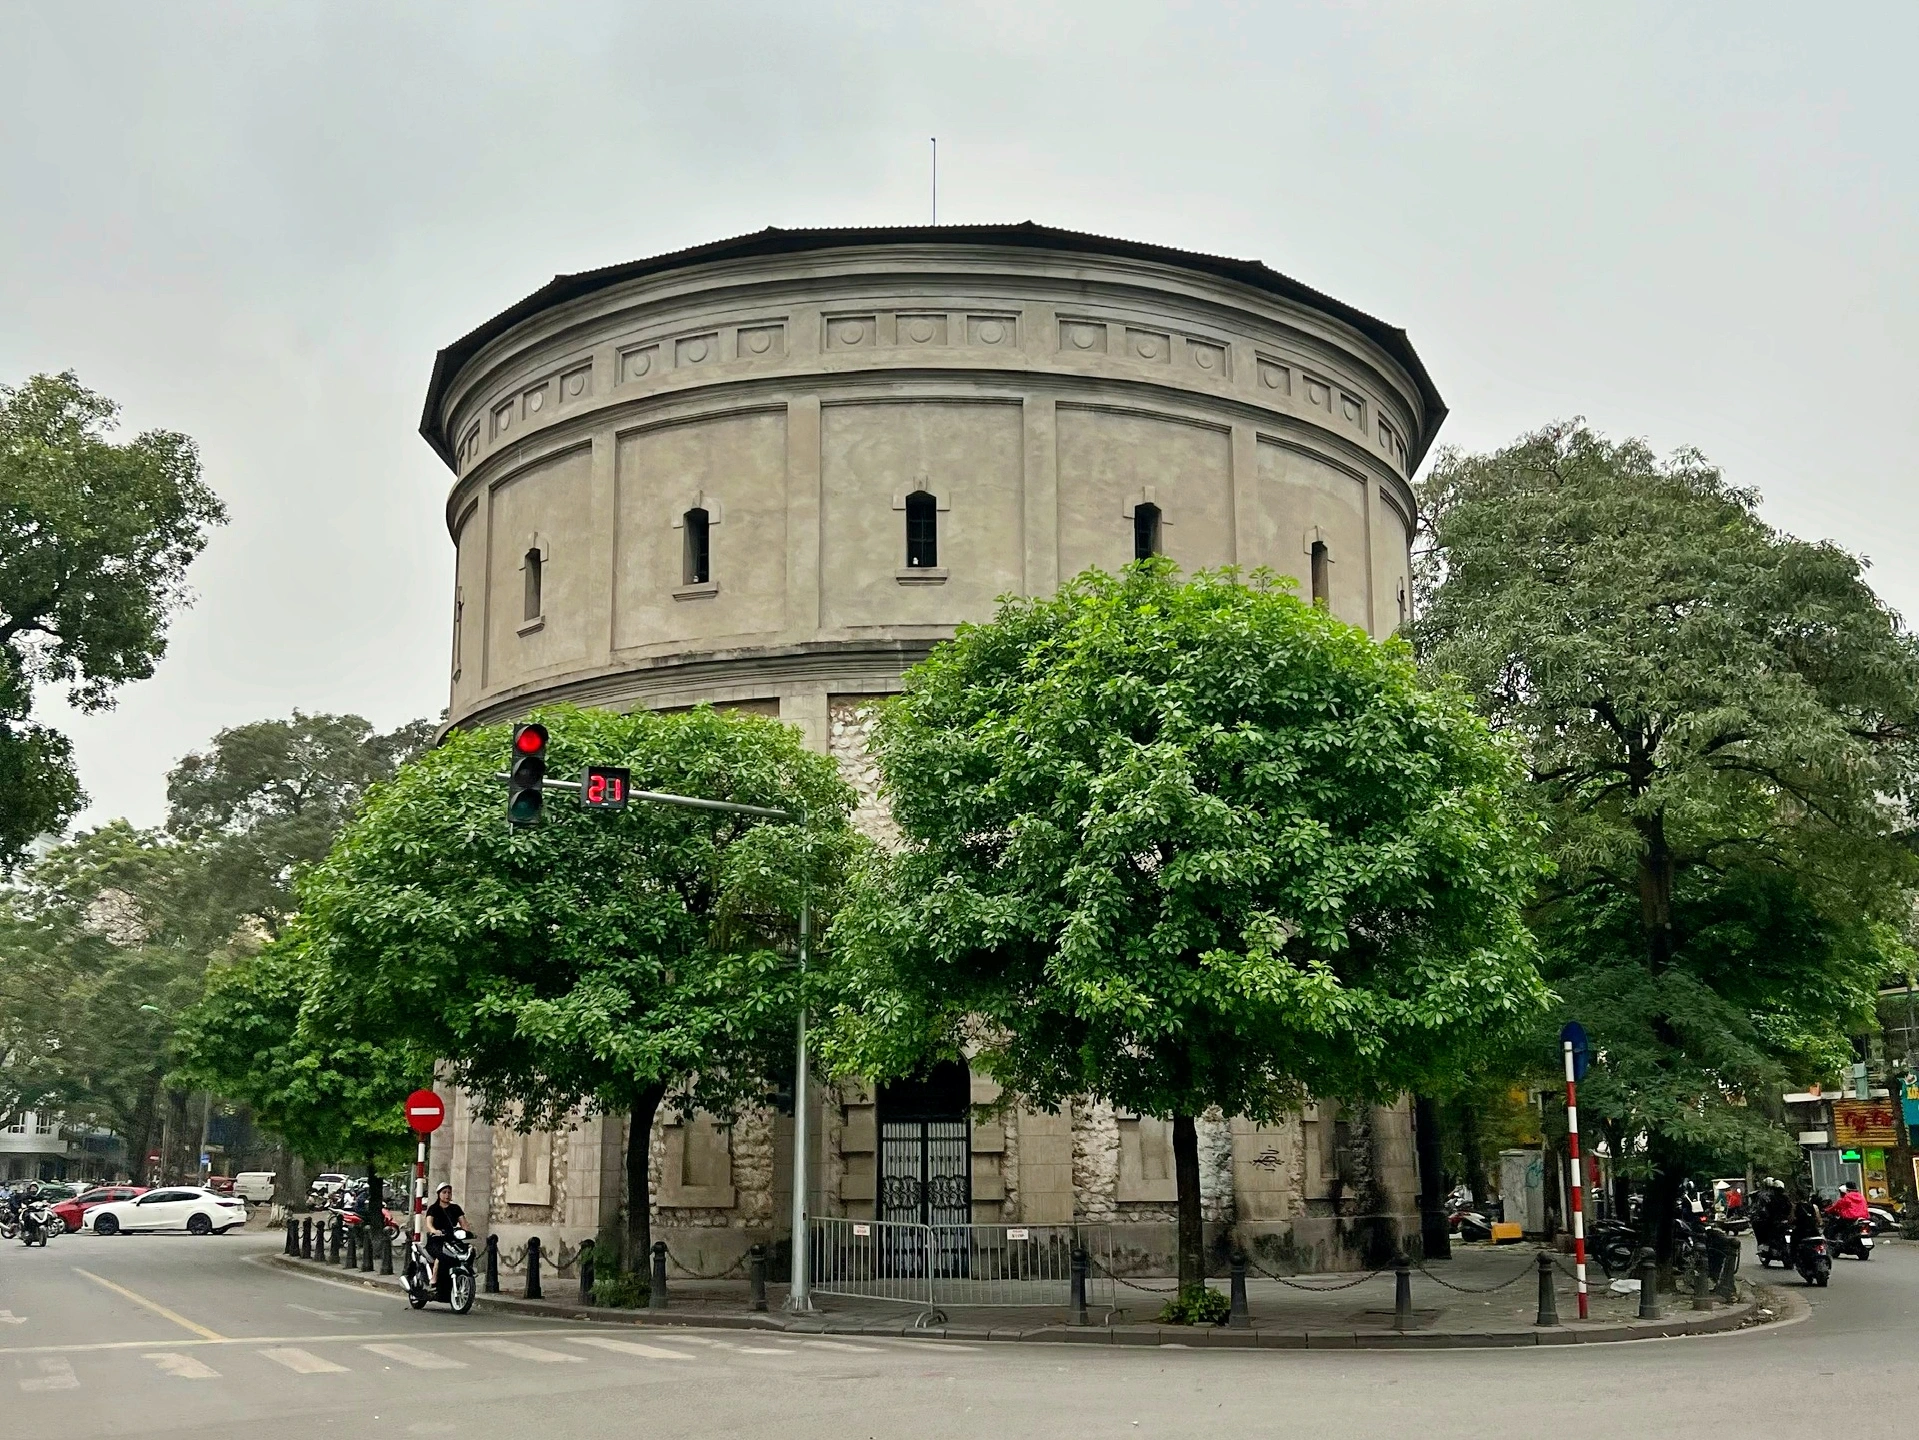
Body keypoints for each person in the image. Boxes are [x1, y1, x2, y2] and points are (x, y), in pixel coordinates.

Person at [424, 1183, 464, 1289]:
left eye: (449, 1192)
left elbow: (464, 1223)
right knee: (441, 1256)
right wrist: (434, 1231)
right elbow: (429, 1224)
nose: (447, 1195)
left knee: (465, 1253)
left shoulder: (455, 1208)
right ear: (439, 1194)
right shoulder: (433, 1209)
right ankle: (434, 1278)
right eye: (444, 1192)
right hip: (436, 1240)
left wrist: (467, 1232)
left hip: (451, 1239)